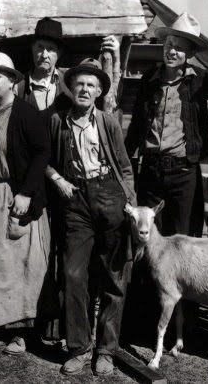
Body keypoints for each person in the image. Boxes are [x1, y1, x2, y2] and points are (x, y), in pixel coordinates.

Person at [46, 58, 136, 376]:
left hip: (110, 196)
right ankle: (79, 348)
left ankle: (106, 351)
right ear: (71, 88)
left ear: (99, 91)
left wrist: (130, 203)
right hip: (75, 203)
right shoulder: (57, 121)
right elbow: (42, 158)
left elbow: (124, 167)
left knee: (113, 277)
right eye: (80, 84)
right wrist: (57, 179)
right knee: (73, 274)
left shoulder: (108, 122)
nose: (84, 89)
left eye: (91, 85)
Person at [0, 49, 52, 355]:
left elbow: (42, 153)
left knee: (19, 265)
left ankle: (20, 333)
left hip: (13, 197)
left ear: (12, 81)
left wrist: (26, 193)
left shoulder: (25, 112)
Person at [125, 12, 208, 236]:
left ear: (190, 53)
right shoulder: (149, 80)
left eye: (179, 48)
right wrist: (125, 161)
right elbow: (137, 124)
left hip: (184, 172)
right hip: (151, 171)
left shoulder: (202, 80)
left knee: (184, 235)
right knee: (150, 235)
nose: (171, 51)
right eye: (169, 45)